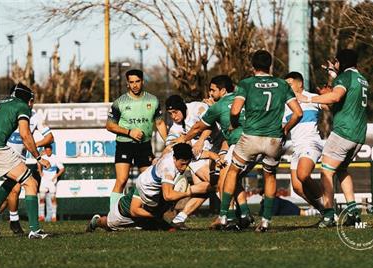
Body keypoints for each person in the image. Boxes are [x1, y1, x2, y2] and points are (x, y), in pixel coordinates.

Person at [224, 50, 303, 232]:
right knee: (269, 175)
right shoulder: (282, 84)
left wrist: (235, 125)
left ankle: (223, 216)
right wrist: (286, 128)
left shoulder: (246, 83)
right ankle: (265, 221)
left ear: (253, 66)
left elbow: (235, 111)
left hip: (251, 136)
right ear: (270, 65)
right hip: (274, 139)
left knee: (233, 171)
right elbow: (298, 113)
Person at [295, 49, 368, 227]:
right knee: (342, 170)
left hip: (343, 132)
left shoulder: (345, 78)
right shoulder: (362, 79)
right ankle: (353, 213)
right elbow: (340, 103)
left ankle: (328, 214)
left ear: (341, 63)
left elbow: (335, 97)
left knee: (326, 171)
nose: (334, 64)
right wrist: (331, 79)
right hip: (359, 134)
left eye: (336, 62)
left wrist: (307, 99)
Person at [174, 75, 254, 229]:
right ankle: (244, 214)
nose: (210, 94)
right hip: (255, 142)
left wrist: (185, 139)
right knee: (230, 178)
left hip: (237, 145)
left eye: (213, 90)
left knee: (223, 179)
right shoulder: (243, 99)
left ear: (223, 90)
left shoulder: (210, 107)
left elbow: (200, 127)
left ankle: (228, 217)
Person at [86, 143, 219, 231]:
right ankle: (96, 221)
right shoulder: (168, 169)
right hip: (143, 192)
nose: (184, 168)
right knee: (110, 224)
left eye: (187, 163)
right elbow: (167, 196)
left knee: (164, 224)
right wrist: (189, 191)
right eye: (182, 164)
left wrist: (217, 158)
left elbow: (204, 153)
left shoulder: (183, 153)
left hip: (156, 192)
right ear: (174, 159)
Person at [0, 83, 51, 239]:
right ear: (29, 99)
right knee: (31, 183)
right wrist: (39, 158)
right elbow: (25, 135)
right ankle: (35, 230)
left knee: (10, 180)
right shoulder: (22, 106)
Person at [106, 69, 167, 210]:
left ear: (142, 81)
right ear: (127, 83)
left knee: (150, 180)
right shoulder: (120, 102)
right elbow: (109, 125)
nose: (134, 85)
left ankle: (149, 213)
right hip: (124, 145)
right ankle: (113, 216)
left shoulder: (152, 100)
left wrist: (169, 142)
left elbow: (159, 123)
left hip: (144, 146)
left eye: (137, 81)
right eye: (131, 82)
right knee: (121, 180)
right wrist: (129, 132)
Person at [164, 95, 214, 230]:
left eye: (175, 112)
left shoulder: (198, 108)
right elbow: (171, 144)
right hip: (197, 158)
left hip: (215, 148)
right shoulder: (175, 127)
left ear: (183, 108)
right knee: (218, 182)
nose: (173, 116)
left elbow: (211, 123)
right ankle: (230, 217)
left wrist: (200, 140)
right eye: (170, 114)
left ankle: (179, 219)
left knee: (206, 189)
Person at [0, 107, 54, 234]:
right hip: (4, 156)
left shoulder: (35, 116)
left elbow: (49, 137)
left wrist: (33, 145)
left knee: (11, 190)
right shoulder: (9, 111)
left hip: (20, 159)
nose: (30, 103)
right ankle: (16, 222)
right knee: (16, 189)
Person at [283, 72, 327, 215]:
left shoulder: (311, 97)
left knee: (303, 174)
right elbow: (283, 127)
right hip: (297, 147)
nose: (286, 87)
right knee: (297, 187)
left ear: (299, 84)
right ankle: (322, 209)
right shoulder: (286, 105)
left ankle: (328, 207)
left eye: (289, 84)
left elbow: (329, 106)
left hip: (310, 142)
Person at [37, 144, 65, 222]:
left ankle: (54, 216)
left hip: (52, 181)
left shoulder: (55, 158)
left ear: (51, 150)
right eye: (46, 150)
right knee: (41, 198)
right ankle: (41, 216)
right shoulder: (43, 157)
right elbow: (38, 163)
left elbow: (62, 168)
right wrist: (40, 172)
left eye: (49, 150)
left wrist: (56, 176)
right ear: (45, 150)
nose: (48, 151)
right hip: (44, 180)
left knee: (53, 198)